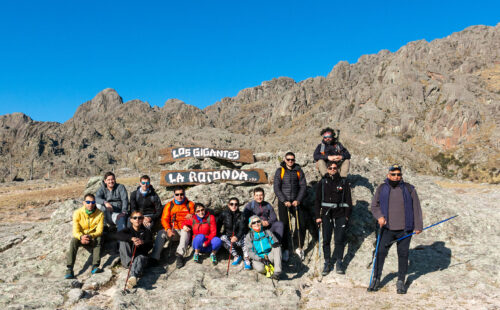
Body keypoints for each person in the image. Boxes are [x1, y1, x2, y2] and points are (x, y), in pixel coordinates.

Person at [368, 164, 423, 294]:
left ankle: (400, 282)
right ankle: (376, 279)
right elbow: (374, 206)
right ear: (388, 175)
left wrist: (418, 225)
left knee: (403, 255)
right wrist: (379, 217)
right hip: (387, 228)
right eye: (393, 174)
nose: (396, 176)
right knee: (380, 253)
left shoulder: (409, 189)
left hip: (405, 229)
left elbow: (417, 207)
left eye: (399, 174)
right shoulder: (382, 188)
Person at [314, 161, 353, 275]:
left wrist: (346, 216)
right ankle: (327, 262)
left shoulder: (344, 182)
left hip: (340, 214)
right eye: (330, 168)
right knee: (326, 239)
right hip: (326, 214)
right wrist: (317, 216)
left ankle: (339, 262)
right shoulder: (322, 182)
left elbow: (348, 200)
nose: (332, 170)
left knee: (339, 239)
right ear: (327, 169)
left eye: (334, 168)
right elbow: (317, 201)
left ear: (338, 169)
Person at [273, 152, 307, 261]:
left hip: (296, 202)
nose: (290, 161)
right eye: (288, 159)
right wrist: (284, 200)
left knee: (301, 224)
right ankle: (286, 249)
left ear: (294, 160)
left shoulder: (299, 171)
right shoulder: (280, 171)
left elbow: (303, 186)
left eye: (292, 159)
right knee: (285, 226)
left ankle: (299, 247)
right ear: (285, 159)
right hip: (284, 203)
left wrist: (298, 200)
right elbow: (276, 188)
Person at [151, 186, 194, 268]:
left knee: (186, 231)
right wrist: (168, 230)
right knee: (161, 233)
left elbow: (196, 218)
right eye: (177, 194)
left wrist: (191, 216)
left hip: (185, 229)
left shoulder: (190, 204)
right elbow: (164, 219)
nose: (179, 196)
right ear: (174, 195)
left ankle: (180, 255)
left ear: (184, 194)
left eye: (181, 194)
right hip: (173, 230)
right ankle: (154, 257)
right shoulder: (169, 205)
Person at [109, 210, 153, 289]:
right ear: (131, 220)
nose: (137, 220)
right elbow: (117, 235)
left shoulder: (147, 232)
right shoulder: (127, 230)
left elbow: (150, 244)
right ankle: (131, 267)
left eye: (140, 218)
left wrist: (142, 242)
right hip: (128, 260)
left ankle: (133, 277)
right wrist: (131, 238)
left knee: (141, 257)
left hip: (140, 258)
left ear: (143, 219)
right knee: (123, 241)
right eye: (135, 218)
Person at [65, 193, 104, 279]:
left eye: (93, 202)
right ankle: (69, 269)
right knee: (73, 241)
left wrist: (90, 236)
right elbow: (75, 231)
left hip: (92, 237)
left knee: (99, 239)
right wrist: (81, 237)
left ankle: (95, 266)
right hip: (81, 237)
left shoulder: (100, 214)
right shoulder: (77, 213)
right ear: (84, 203)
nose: (90, 204)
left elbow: (99, 231)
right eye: (88, 202)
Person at [217, 197, 251, 269]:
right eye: (231, 204)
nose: (234, 206)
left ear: (238, 205)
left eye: (236, 204)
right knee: (222, 238)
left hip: (240, 238)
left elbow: (242, 228)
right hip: (229, 238)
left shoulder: (242, 215)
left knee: (246, 236)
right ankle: (236, 256)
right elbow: (218, 224)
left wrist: (237, 237)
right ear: (228, 205)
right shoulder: (224, 214)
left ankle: (246, 258)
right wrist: (219, 234)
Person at [245, 215, 282, 280]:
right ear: (250, 225)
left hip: (270, 255)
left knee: (277, 247)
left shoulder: (267, 232)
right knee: (260, 269)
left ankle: (277, 272)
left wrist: (275, 243)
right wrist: (261, 259)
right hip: (259, 258)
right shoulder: (249, 236)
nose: (256, 224)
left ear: (261, 222)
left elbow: (275, 242)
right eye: (253, 223)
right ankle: (268, 268)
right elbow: (250, 252)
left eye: (258, 221)